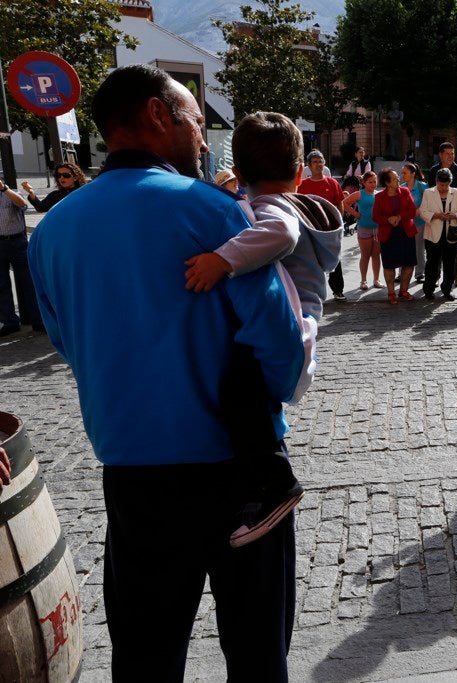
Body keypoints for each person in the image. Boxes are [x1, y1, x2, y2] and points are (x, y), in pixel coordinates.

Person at [28, 64, 305, 681]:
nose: (204, 139)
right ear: (159, 115)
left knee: (145, 651)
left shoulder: (52, 231)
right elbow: (277, 342)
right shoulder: (213, 211)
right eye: (198, 122)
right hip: (239, 469)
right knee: (258, 650)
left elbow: (69, 345)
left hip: (133, 471)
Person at [182, 111, 342, 547]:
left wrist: (223, 260)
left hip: (292, 321)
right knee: (241, 392)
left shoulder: (275, 209)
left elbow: (280, 234)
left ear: (241, 171)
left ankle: (275, 483)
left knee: (239, 392)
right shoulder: (288, 199)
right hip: (298, 319)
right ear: (297, 172)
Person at [299, 149, 347, 302]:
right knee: (312, 261)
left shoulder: (332, 183)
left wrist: (339, 221)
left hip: (331, 229)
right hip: (311, 229)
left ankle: (338, 290)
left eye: (320, 161)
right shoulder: (303, 185)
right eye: (315, 162)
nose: (318, 164)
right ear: (309, 166)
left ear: (324, 164)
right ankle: (314, 293)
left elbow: (340, 203)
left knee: (335, 259)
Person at [0, 177, 44, 336]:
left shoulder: (11, 192)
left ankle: (38, 320)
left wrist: (4, 189)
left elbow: (22, 204)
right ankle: (9, 322)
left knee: (29, 281)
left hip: (16, 242)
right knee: (1, 285)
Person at [427, 142, 457, 288]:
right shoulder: (434, 170)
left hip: (454, 217)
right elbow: (430, 193)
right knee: (436, 251)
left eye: (452, 153)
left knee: (456, 249)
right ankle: (435, 278)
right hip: (437, 217)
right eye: (447, 153)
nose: (450, 156)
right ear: (440, 154)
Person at [418, 167, 457, 300]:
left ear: (450, 182)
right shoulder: (428, 192)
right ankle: (429, 289)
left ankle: (447, 289)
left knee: (449, 263)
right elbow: (422, 211)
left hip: (451, 234)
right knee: (432, 263)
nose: (443, 187)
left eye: (446, 185)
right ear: (436, 182)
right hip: (433, 234)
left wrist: (454, 215)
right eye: (441, 184)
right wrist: (436, 215)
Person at [373, 168, 418, 303]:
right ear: (387, 183)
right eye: (394, 178)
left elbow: (412, 210)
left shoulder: (405, 192)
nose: (398, 179)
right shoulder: (380, 196)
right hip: (388, 234)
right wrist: (388, 219)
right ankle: (391, 292)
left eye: (398, 177)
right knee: (389, 264)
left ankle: (403, 290)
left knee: (409, 263)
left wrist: (399, 216)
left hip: (406, 232)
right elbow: (375, 216)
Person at [342, 170, 382, 290]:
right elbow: (344, 203)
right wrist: (355, 213)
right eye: (370, 182)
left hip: (377, 229)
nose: (373, 184)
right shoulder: (359, 194)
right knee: (365, 255)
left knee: (376, 255)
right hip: (364, 228)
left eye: (375, 182)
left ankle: (376, 279)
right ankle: (363, 280)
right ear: (364, 183)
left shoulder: (378, 194)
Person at [401, 162, 428, 283]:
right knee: (404, 248)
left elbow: (428, 201)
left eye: (405, 173)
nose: (403, 175)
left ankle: (420, 273)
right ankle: (401, 272)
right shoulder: (401, 187)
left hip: (419, 222)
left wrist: (419, 210)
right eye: (402, 173)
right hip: (405, 223)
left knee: (419, 248)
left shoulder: (422, 186)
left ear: (413, 174)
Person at [21, 162, 86, 212]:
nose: (61, 178)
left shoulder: (84, 192)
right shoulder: (55, 195)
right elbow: (41, 208)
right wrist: (31, 193)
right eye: (58, 175)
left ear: (75, 177)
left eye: (66, 175)